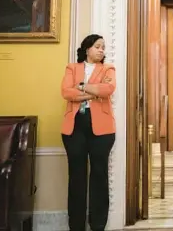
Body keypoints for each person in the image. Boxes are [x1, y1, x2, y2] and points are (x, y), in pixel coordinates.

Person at [60, 34, 116, 231]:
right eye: (97, 46)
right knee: (76, 175)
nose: (101, 50)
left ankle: (98, 224)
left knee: (99, 173)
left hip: (102, 129)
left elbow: (108, 89)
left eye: (103, 47)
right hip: (74, 127)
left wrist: (81, 87)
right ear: (87, 49)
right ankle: (76, 225)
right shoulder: (72, 68)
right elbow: (66, 92)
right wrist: (93, 91)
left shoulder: (108, 69)